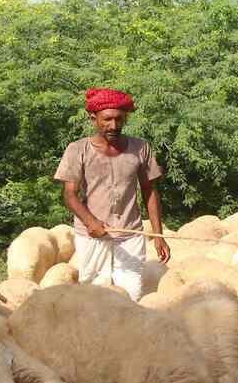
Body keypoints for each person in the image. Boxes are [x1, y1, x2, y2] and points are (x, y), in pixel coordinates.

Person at [52, 87, 170, 301]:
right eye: (107, 119)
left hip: (130, 232)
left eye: (119, 119)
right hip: (92, 235)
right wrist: (91, 222)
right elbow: (69, 194)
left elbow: (150, 191)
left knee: (132, 293)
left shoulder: (140, 148)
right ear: (93, 118)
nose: (113, 125)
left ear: (125, 118)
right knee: (93, 294)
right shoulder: (78, 150)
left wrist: (157, 234)